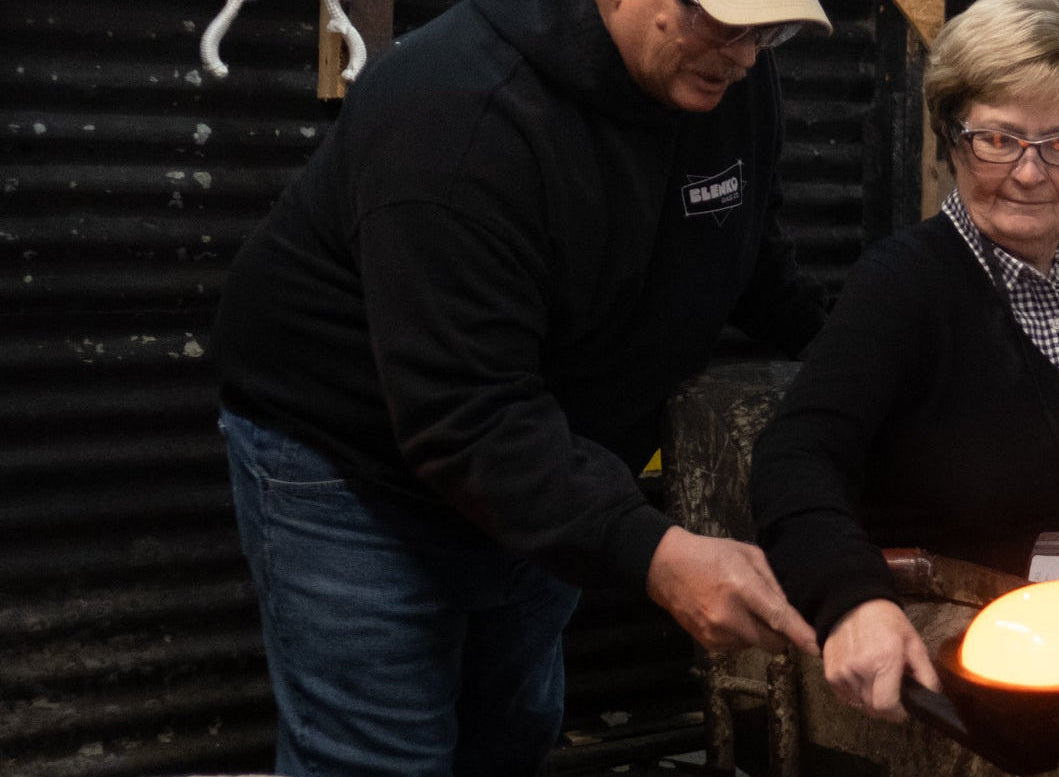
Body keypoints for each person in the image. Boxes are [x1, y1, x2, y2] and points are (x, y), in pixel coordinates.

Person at [210, 0, 833, 773]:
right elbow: (465, 412)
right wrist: (656, 552)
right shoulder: (456, 111)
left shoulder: (728, 77)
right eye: (723, 21)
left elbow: (744, 246)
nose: (745, 55)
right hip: (350, 463)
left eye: (770, 31)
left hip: (544, 446)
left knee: (506, 738)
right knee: (381, 756)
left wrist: (865, 365)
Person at [750, 0, 1059, 724]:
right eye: (998, 139)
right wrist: (854, 599)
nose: (1030, 174)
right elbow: (794, 458)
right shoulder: (903, 284)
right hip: (946, 641)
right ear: (951, 137)